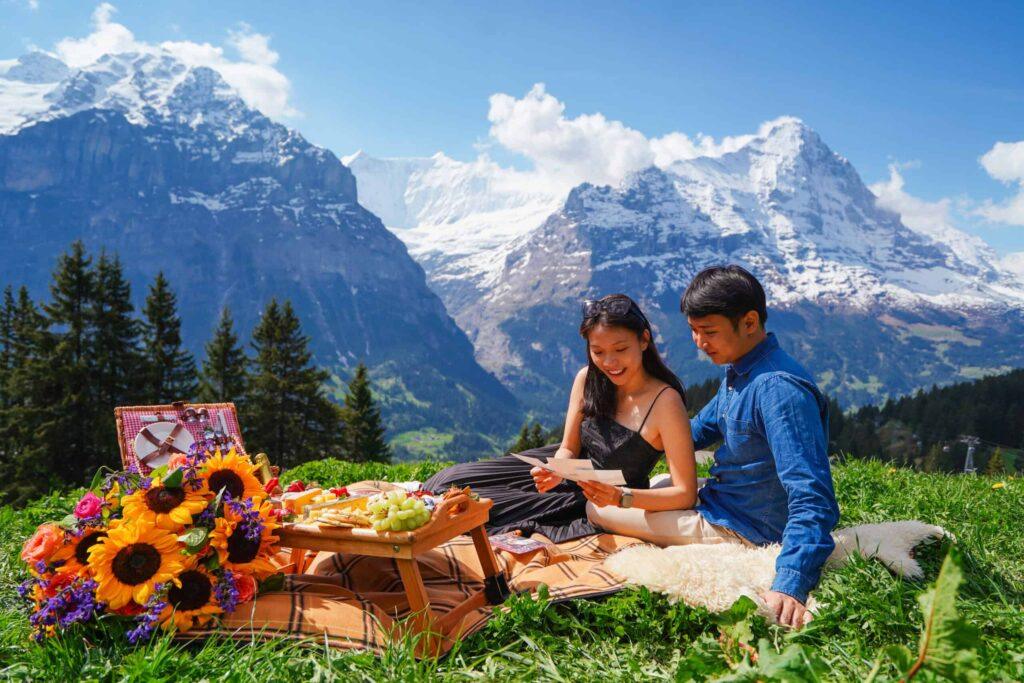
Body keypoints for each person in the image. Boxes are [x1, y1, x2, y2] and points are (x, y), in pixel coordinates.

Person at [589, 265, 840, 629]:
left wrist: (792, 582)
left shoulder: (778, 390)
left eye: (708, 332)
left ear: (749, 322)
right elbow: (692, 433)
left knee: (597, 508)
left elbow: (813, 495)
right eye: (693, 330)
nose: (698, 343)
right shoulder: (742, 372)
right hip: (726, 498)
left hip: (748, 526)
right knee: (657, 486)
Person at [423, 294, 699, 543]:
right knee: (447, 482)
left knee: (481, 507)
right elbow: (568, 446)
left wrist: (620, 498)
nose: (609, 362)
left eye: (620, 349)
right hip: (562, 471)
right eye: (598, 351)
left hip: (598, 495)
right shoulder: (587, 379)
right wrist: (556, 469)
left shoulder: (666, 402)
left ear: (644, 340)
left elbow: (685, 493)